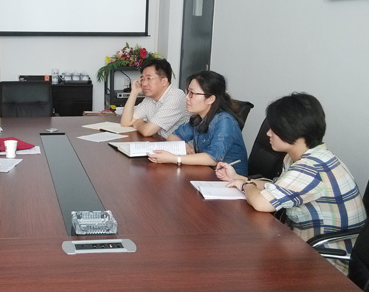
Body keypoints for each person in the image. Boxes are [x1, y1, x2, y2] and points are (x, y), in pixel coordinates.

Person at [216, 93, 366, 273]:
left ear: (295, 131)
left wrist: (244, 186)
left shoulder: (310, 168)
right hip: (301, 244)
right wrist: (239, 178)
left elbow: (261, 203)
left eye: (274, 129)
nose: (268, 133)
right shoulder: (304, 156)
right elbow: (277, 186)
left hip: (328, 262)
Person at [147, 70, 248, 175]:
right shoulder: (199, 118)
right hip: (206, 173)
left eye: (192, 93)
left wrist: (174, 158)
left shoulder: (225, 121)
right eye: (187, 92)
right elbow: (173, 137)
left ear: (210, 99)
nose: (186, 97)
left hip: (229, 179)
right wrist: (183, 145)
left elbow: (212, 158)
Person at [120, 58, 189, 138]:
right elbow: (125, 123)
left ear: (164, 81)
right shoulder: (150, 98)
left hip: (179, 145)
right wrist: (134, 93)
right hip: (160, 142)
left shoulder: (176, 97)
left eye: (149, 78)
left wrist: (138, 123)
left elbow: (147, 131)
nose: (144, 83)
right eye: (143, 79)